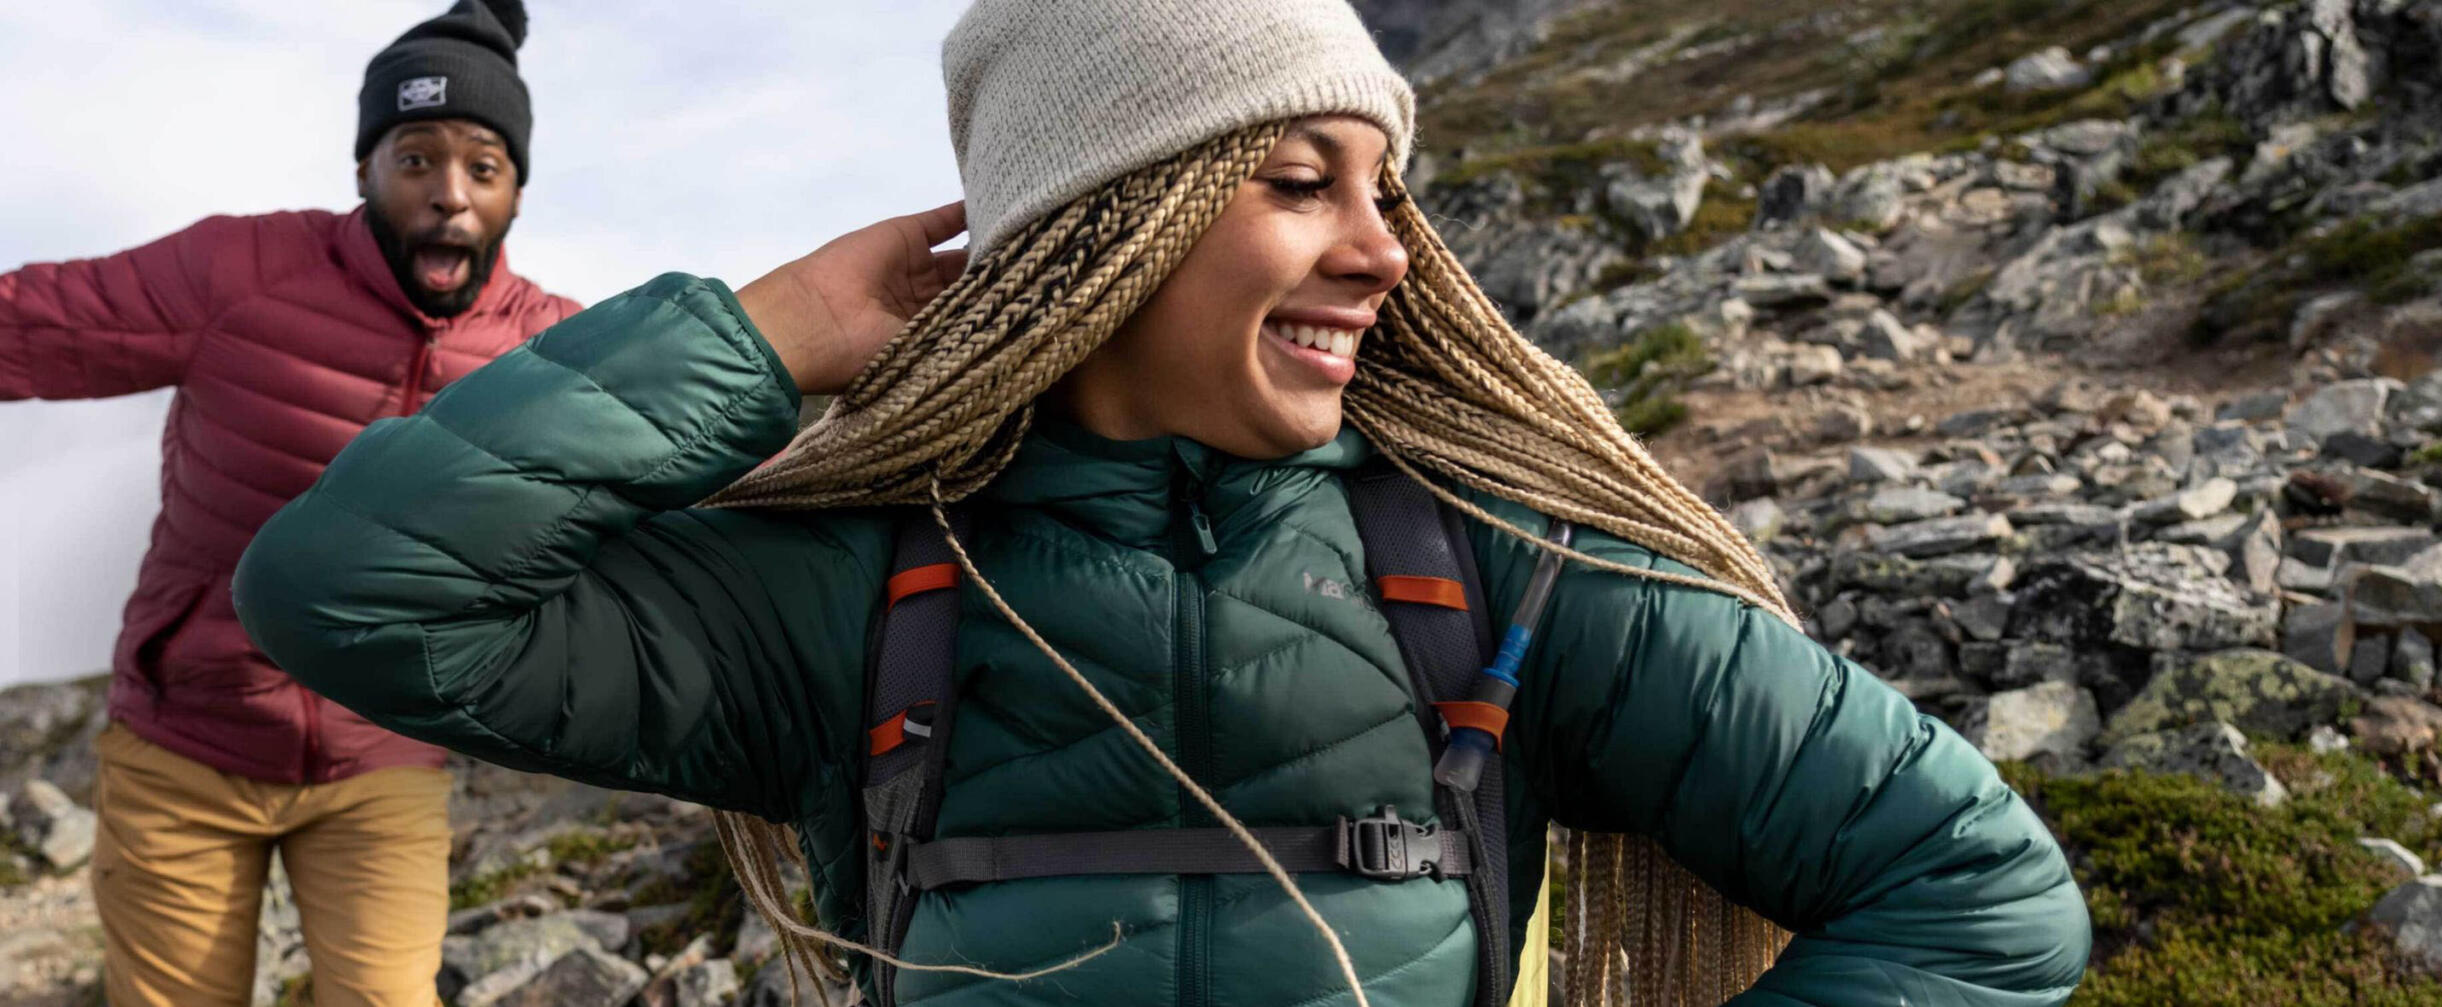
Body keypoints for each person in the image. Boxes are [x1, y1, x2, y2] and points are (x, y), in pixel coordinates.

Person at [234, 1, 2092, 1005]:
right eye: (1297, 181)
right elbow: (351, 591)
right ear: (1108, 227)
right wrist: (763, 334)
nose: (1387, 249)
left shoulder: (1504, 567)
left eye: (1383, 188)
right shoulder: (860, 588)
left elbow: (1976, 894)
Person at [0, 1, 575, 1003]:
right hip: (186, 743)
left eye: (483, 167)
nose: (449, 194)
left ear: (516, 192)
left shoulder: (548, 350)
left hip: (382, 759)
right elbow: (35, 325)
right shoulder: (239, 273)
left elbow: (711, 438)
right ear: (363, 170)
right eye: (415, 158)